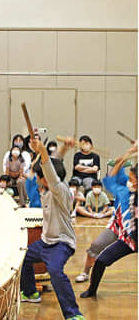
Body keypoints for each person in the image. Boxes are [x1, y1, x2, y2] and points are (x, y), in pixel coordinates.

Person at [20, 137, 85, 320]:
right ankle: (31, 293)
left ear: (45, 179)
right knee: (23, 256)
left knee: (55, 271)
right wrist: (63, 148)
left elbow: (51, 172)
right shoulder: (47, 189)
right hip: (45, 242)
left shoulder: (62, 191)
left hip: (61, 243)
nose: (38, 179)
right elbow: (55, 164)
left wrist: (42, 150)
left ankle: (73, 314)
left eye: (40, 177)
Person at [80, 146, 137, 299]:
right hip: (125, 235)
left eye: (133, 180)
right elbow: (111, 177)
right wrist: (129, 153)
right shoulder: (124, 190)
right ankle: (91, 288)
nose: (130, 182)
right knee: (100, 258)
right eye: (130, 179)